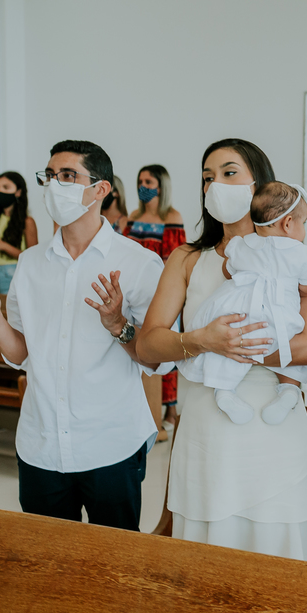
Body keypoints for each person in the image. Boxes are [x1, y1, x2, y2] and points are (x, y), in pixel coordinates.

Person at [0, 141, 162, 530]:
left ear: (100, 189)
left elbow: (154, 358)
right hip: (41, 444)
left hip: (109, 444)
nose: (53, 184)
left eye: (67, 176)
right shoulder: (30, 264)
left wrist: (119, 325)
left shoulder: (139, 263)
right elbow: (23, 353)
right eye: (49, 176)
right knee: (46, 572)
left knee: (114, 569)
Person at [137, 138, 307, 560]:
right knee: (209, 559)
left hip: (276, 431)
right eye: (207, 178)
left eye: (228, 173)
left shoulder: (297, 256)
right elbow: (149, 345)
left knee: (280, 560)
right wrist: (202, 340)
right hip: (210, 428)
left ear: (259, 184)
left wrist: (235, 347)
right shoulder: (188, 258)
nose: (215, 184)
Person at [180, 182, 307, 426]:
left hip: (239, 314)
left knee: (229, 348)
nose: (304, 230)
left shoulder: (242, 244)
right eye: (304, 223)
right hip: (279, 319)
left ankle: (224, 390)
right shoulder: (303, 253)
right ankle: (289, 391)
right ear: (288, 224)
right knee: (288, 350)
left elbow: (228, 271)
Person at [124, 164, 186, 429]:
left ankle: (170, 410)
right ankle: (144, 408)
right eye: (141, 182)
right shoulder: (133, 215)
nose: (143, 187)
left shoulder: (172, 216)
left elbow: (174, 256)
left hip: (163, 291)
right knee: (138, 348)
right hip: (134, 290)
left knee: (165, 349)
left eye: (149, 182)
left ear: (162, 186)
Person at [0, 171, 38, 294]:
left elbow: (32, 258)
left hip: (12, 275)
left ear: (18, 192)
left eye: (6, 187)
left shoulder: (27, 222)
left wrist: (2, 245)